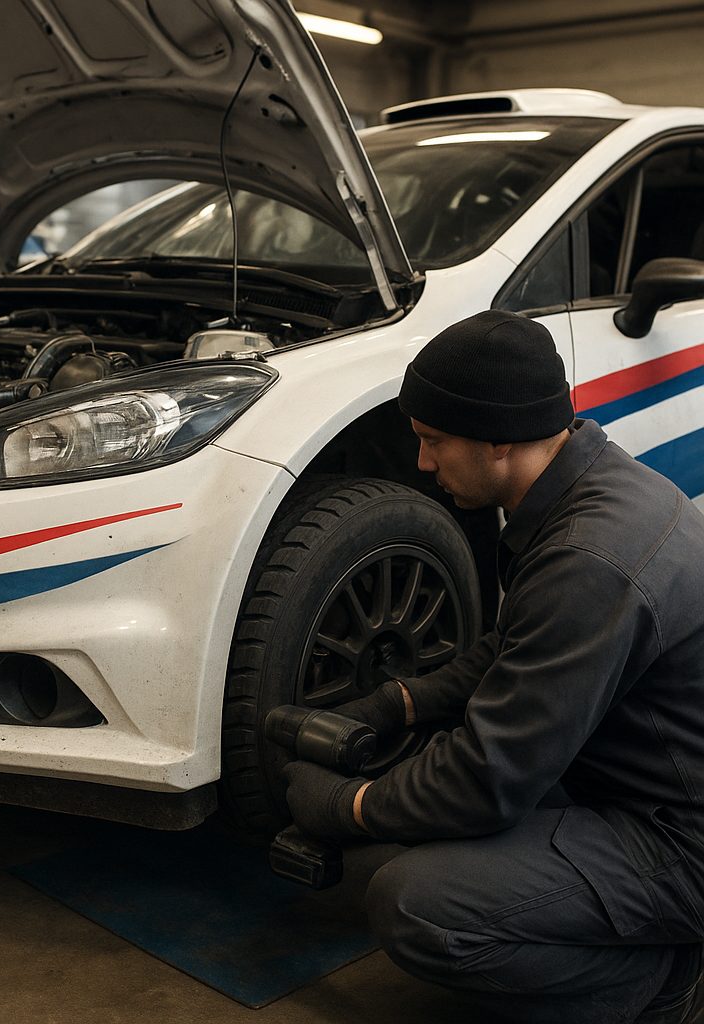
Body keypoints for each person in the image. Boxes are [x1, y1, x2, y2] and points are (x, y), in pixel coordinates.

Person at [283, 310, 704, 1023]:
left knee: (414, 899)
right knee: (412, 825)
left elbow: (489, 781)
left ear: (498, 439)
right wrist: (402, 702)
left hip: (680, 840)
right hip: (642, 781)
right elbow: (516, 646)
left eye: (433, 441)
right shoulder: (589, 486)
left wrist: (349, 806)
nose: (422, 463)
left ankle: (659, 986)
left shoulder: (589, 561)